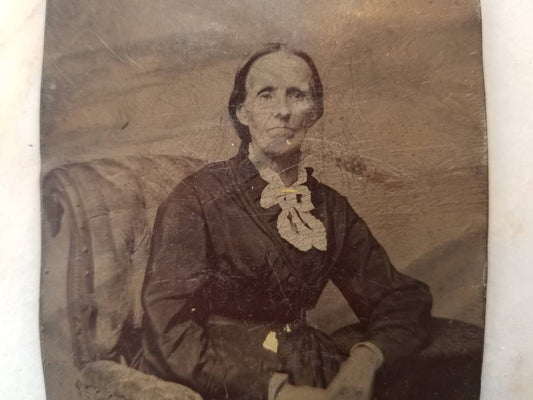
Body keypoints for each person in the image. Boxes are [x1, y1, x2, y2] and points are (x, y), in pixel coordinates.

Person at [138, 43, 432, 400]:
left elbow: (402, 297)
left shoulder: (329, 208)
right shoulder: (197, 198)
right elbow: (168, 332)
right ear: (242, 112)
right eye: (266, 95)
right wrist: (276, 392)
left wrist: (367, 358)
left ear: (315, 112)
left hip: (306, 366)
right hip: (218, 380)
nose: (282, 111)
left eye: (296, 95)